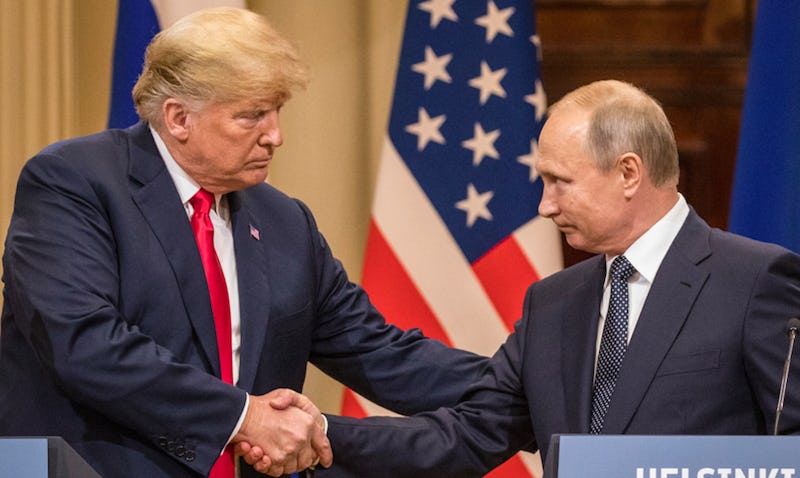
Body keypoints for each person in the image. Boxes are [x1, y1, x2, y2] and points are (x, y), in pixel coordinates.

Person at [0, 7, 487, 478]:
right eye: (251, 115)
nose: (275, 135)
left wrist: (526, 383)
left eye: (276, 111)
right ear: (178, 118)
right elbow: (85, 345)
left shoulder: (285, 220)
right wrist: (245, 416)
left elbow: (378, 351)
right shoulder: (75, 182)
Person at [311, 79, 800, 477]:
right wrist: (318, 435)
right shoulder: (553, 301)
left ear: (629, 173)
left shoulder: (754, 280)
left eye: (559, 182)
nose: (545, 206)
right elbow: (469, 433)